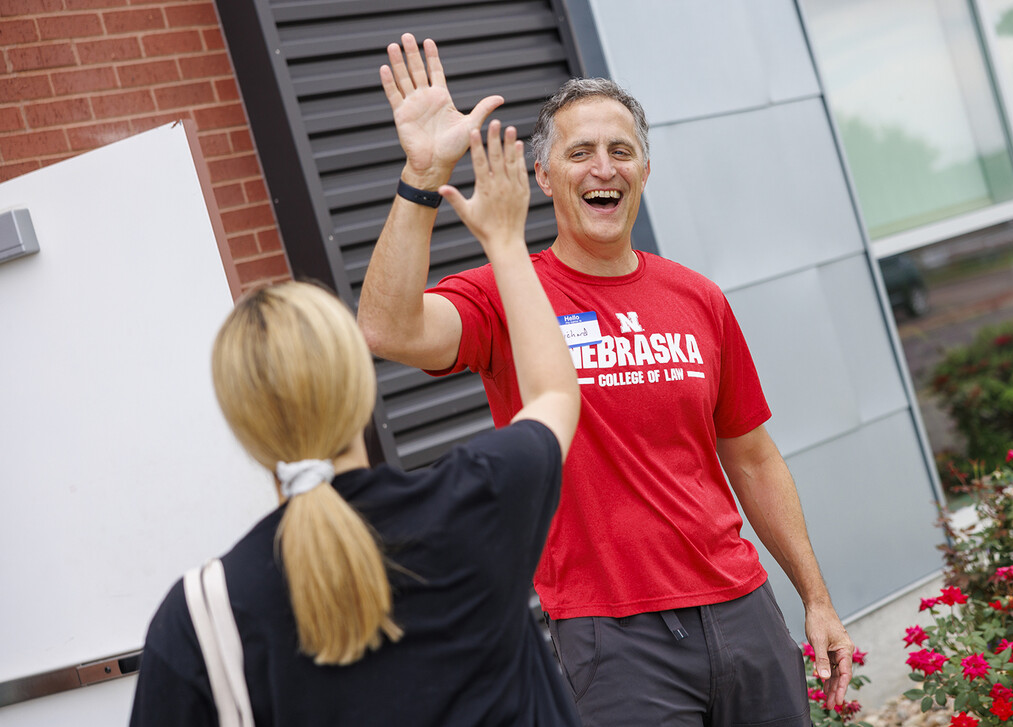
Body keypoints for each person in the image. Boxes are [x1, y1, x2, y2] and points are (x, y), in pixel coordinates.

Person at [358, 33, 857, 727]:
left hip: (743, 608)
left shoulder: (697, 297)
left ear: (644, 171)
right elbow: (386, 329)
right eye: (580, 152)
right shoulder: (509, 292)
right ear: (543, 175)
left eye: (621, 151)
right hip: (613, 638)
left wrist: (817, 597)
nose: (604, 168)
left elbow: (752, 454)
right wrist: (420, 176)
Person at [129, 120, 582, 726]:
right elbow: (554, 390)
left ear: (243, 428)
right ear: (362, 386)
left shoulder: (201, 618)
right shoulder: (478, 500)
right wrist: (503, 239)